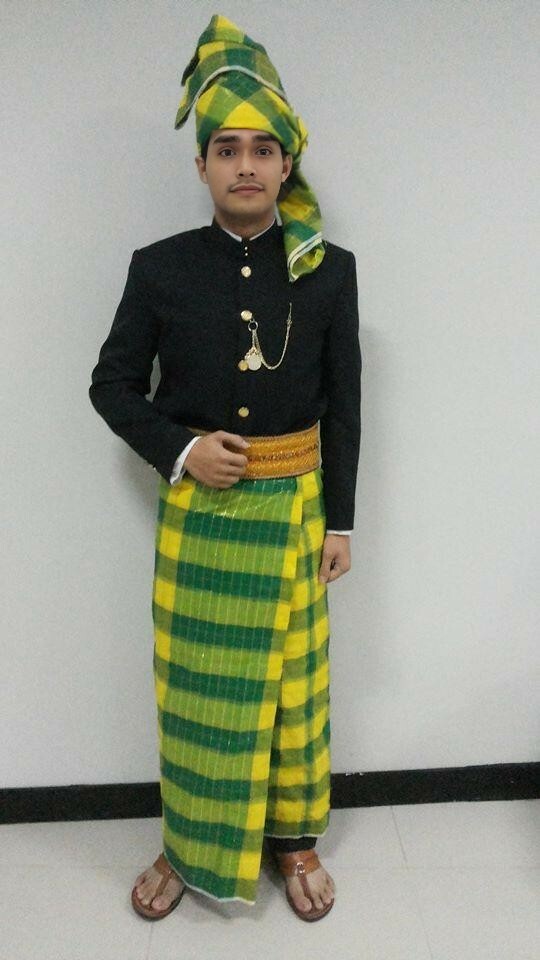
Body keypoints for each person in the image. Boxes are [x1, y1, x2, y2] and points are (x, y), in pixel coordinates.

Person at [89, 13, 361, 922]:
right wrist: (181, 448)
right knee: (199, 693)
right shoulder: (159, 269)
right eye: (227, 149)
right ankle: (186, 843)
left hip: (296, 513)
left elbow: (345, 404)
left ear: (286, 165)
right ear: (202, 165)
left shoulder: (329, 271)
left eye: (263, 149)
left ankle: (294, 840)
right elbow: (111, 385)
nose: (246, 165)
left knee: (292, 695)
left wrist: (341, 521)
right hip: (200, 517)